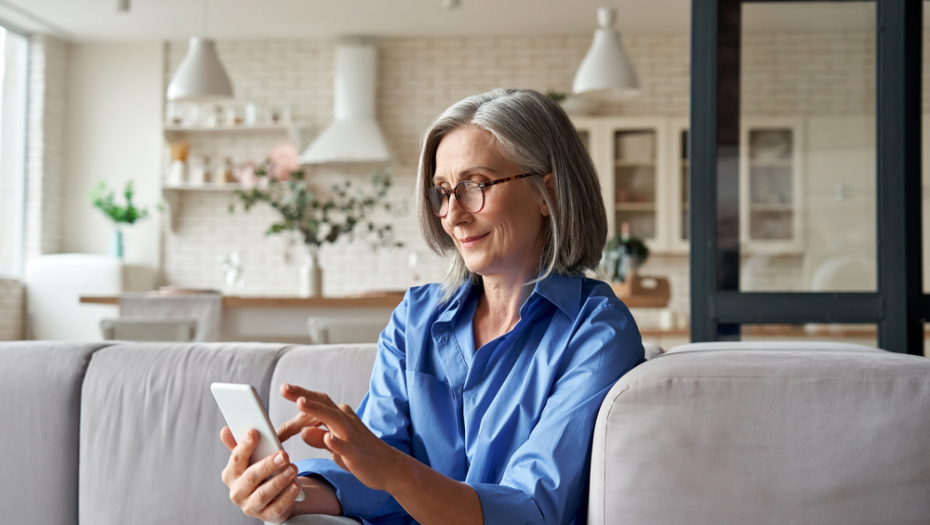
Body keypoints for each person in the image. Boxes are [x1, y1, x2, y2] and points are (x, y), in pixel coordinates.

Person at [219, 88, 645, 525]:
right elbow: (375, 479)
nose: (452, 215)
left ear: (545, 193)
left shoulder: (596, 332)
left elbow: (531, 510)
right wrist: (286, 491)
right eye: (442, 192)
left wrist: (390, 471)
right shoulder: (415, 318)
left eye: (475, 185)